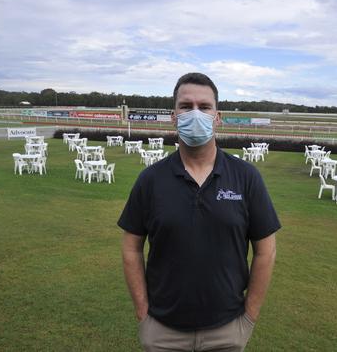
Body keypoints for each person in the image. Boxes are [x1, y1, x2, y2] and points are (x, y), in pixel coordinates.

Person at [118, 72, 280, 352]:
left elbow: (266, 250)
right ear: (174, 115)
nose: (195, 113)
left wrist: (249, 316)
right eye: (186, 106)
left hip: (227, 332)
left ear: (217, 117)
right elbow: (131, 248)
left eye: (204, 107)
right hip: (162, 332)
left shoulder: (246, 177)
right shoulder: (151, 180)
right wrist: (143, 312)